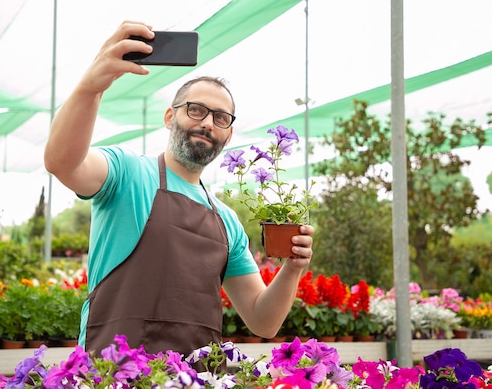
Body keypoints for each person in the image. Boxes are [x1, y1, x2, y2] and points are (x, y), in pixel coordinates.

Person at [44, 20, 314, 356]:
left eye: (220, 118)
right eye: (196, 110)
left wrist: (292, 268)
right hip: (110, 374)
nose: (206, 123)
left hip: (194, 378)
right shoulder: (128, 173)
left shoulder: (227, 222)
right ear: (170, 117)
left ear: (228, 135)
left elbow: (263, 321)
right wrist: (91, 87)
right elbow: (62, 163)